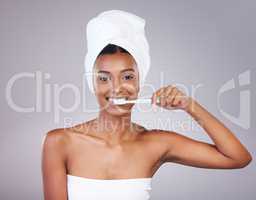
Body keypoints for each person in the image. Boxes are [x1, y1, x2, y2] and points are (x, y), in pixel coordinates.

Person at [41, 10, 252, 200]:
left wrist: (189, 105)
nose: (116, 88)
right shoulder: (59, 142)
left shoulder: (157, 143)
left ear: (139, 82)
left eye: (127, 76)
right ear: (92, 84)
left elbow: (238, 157)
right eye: (104, 78)